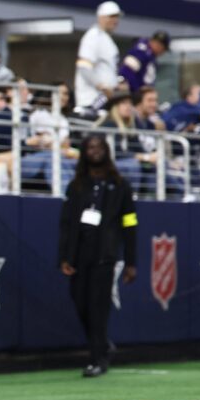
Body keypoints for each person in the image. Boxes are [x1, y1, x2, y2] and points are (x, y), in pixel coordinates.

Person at [58, 134, 137, 378]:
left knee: (97, 306)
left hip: (105, 255)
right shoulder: (76, 186)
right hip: (79, 255)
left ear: (107, 150)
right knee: (80, 303)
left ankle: (97, 359)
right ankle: (101, 343)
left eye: (99, 146)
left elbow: (130, 223)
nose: (95, 151)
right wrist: (64, 257)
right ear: (84, 153)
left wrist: (131, 261)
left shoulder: (119, 185)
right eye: (90, 147)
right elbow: (67, 223)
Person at [74, 1, 122, 113]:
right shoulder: (92, 36)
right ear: (101, 17)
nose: (115, 21)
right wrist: (103, 87)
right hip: (92, 102)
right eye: (112, 16)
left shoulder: (106, 39)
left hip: (105, 101)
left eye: (117, 17)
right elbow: (84, 67)